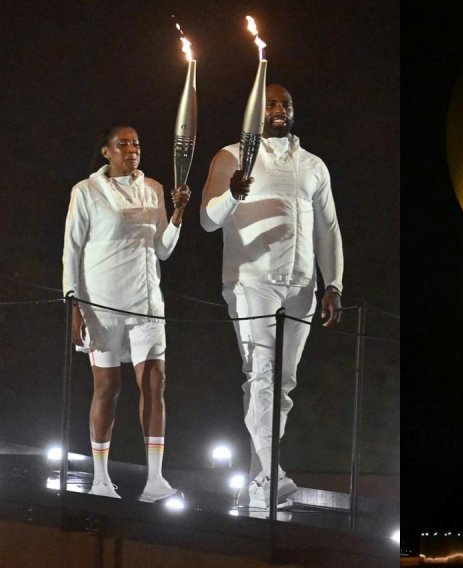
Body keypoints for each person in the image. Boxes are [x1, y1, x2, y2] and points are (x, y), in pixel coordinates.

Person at [200, 84, 344, 510]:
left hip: (302, 285)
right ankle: (273, 471)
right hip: (252, 280)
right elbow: (208, 221)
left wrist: (333, 283)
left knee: (281, 385)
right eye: (271, 105)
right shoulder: (231, 157)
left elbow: (328, 228)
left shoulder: (312, 164)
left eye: (286, 104)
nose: (280, 110)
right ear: (253, 114)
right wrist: (233, 194)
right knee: (261, 376)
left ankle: (257, 482)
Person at [62, 126, 191, 501]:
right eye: (123, 144)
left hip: (147, 305)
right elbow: (71, 250)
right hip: (101, 305)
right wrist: (74, 304)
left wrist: (179, 211)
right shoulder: (85, 191)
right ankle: (101, 480)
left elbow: (164, 248)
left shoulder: (152, 188)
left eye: (136, 143)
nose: (132, 149)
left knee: (155, 384)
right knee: (108, 388)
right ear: (106, 151)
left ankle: (155, 480)